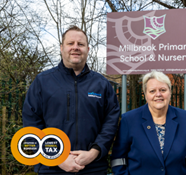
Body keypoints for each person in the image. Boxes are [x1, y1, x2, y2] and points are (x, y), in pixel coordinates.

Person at [22, 25, 120, 175]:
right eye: (70, 43)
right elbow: (32, 123)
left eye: (80, 44)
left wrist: (94, 152)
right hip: (51, 168)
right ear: (62, 48)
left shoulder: (102, 84)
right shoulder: (43, 81)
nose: (75, 47)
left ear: (88, 49)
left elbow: (111, 121)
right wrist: (56, 157)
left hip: (93, 168)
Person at [111, 71, 186, 175]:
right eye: (152, 91)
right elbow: (118, 159)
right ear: (145, 95)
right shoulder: (129, 120)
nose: (158, 94)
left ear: (170, 92)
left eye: (163, 90)